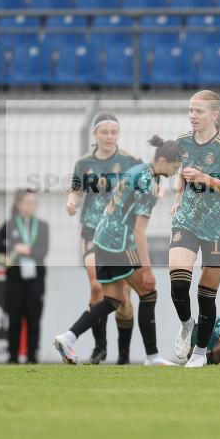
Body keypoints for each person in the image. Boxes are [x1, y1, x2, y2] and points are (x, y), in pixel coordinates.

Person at [54, 135, 182, 366]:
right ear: (162, 160)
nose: (176, 172)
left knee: (112, 299)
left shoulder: (138, 170)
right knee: (148, 292)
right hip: (119, 242)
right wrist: (147, 270)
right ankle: (152, 357)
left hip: (101, 238)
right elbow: (139, 232)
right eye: (175, 166)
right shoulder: (148, 184)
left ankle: (67, 338)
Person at [168, 91, 220, 368]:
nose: (192, 116)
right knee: (178, 282)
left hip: (219, 227)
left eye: (198, 111)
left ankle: (200, 353)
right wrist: (178, 200)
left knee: (205, 294)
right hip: (187, 220)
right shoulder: (182, 142)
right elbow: (183, 171)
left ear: (214, 115)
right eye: (190, 110)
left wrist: (205, 178)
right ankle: (186, 324)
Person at [66, 114, 142, 364]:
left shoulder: (130, 160)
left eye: (113, 132)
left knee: (123, 299)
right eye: (104, 132)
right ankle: (100, 348)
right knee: (97, 287)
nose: (109, 137)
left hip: (121, 235)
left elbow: (148, 185)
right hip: (91, 230)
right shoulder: (84, 163)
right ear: (95, 134)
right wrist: (72, 202)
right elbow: (77, 192)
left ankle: (124, 356)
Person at [0, 189, 50, 364]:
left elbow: (43, 250)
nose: (32, 206)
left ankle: (32, 355)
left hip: (35, 279)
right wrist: (14, 247)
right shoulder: (10, 225)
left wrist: (29, 250)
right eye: (29, 202)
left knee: (34, 318)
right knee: (14, 318)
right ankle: (13, 356)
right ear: (19, 204)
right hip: (14, 279)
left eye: (35, 203)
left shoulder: (42, 226)